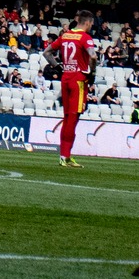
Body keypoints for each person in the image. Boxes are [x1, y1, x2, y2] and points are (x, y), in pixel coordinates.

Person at [46, 13, 95, 166]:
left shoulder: (66, 36)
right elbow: (92, 56)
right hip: (78, 80)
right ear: (87, 22)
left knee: (67, 118)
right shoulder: (85, 38)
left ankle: (64, 156)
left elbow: (46, 53)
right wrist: (92, 73)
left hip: (65, 78)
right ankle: (65, 157)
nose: (92, 26)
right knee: (73, 119)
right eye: (91, 23)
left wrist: (58, 66)